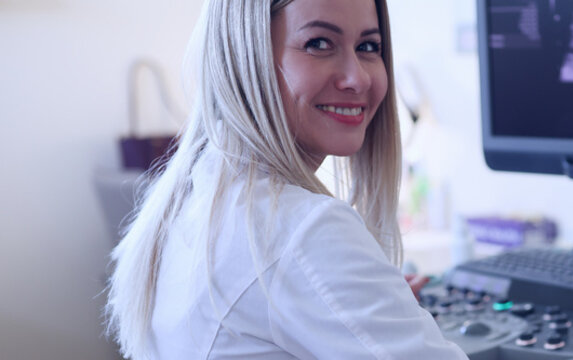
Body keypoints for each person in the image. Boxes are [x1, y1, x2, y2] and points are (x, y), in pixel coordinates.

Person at [105, 0, 468, 358]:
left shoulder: (197, 193)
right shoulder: (304, 228)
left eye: (368, 47)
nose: (357, 77)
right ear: (245, 58)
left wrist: (375, 307)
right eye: (319, 43)